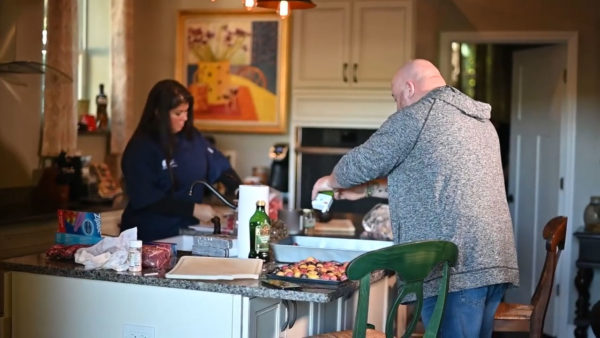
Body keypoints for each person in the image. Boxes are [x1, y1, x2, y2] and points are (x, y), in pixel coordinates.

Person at [311, 59, 519, 337]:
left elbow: (360, 163)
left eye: (396, 97)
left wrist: (330, 181)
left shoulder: (418, 115)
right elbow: (432, 182)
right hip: (492, 260)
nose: (397, 106)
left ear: (409, 89)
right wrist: (367, 190)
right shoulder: (478, 120)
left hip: (458, 268)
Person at [120, 79, 241, 242]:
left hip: (185, 232)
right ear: (158, 112)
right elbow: (146, 198)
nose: (184, 118)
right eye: (178, 113)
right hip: (149, 236)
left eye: (187, 112)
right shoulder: (141, 148)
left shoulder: (192, 138)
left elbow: (222, 169)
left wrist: (240, 193)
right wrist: (192, 209)